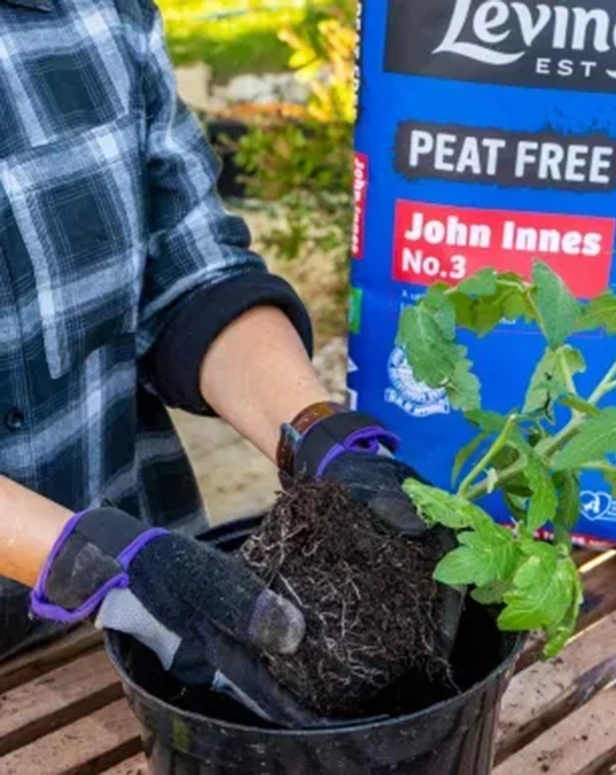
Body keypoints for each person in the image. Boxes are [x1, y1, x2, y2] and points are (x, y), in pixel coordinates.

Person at [0, 0, 459, 725]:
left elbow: (189, 274)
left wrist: (319, 433)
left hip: (154, 632)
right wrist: (86, 560)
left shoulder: (99, 16)